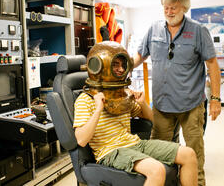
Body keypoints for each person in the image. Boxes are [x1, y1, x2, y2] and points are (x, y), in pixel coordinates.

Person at [74, 42, 198, 186]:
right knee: (156, 170)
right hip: (111, 152)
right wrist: (98, 109)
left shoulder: (122, 94)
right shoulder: (86, 99)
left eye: (122, 65)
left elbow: (151, 119)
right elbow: (81, 140)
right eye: (115, 65)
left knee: (189, 155)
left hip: (135, 144)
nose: (120, 69)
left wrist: (142, 102)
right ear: (98, 66)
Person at [133, 0, 221, 186]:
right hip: (162, 105)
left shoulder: (198, 31)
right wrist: (122, 65)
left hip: (191, 105)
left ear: (184, 8)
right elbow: (140, 55)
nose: (169, 12)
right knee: (162, 154)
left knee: (194, 155)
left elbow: (213, 65)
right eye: (166, 7)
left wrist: (215, 99)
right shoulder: (153, 29)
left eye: (174, 8)